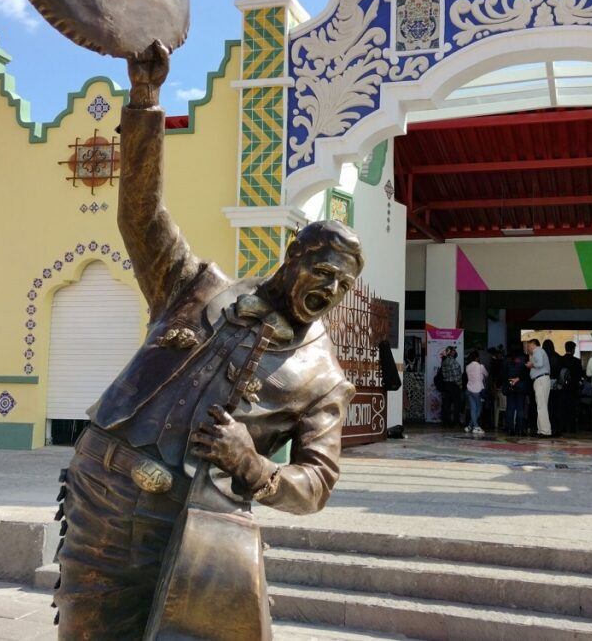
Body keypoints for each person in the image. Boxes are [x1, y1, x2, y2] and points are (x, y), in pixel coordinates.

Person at [54, 44, 363, 638]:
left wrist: (254, 465)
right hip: (99, 485)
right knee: (85, 629)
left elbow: (316, 484)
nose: (331, 290)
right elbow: (141, 214)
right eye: (323, 272)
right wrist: (145, 103)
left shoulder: (325, 378)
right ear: (293, 255)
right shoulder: (194, 285)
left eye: (344, 285)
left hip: (187, 516)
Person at [526, 338, 552, 437]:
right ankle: (541, 430)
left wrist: (531, 365)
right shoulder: (538, 352)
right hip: (541, 380)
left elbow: (540, 364)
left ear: (534, 344)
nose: (528, 348)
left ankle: (545, 431)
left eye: (529, 346)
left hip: (541, 380)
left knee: (541, 406)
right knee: (541, 406)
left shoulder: (538, 351)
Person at [502, 346, 529, 435]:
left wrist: (506, 385)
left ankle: (510, 429)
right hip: (521, 386)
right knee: (520, 408)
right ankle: (520, 429)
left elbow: (504, 374)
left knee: (510, 408)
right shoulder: (524, 358)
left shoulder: (506, 359)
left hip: (510, 386)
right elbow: (526, 373)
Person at [559, 341, 584, 434]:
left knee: (562, 407)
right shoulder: (577, 361)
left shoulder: (560, 360)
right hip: (573, 388)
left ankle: (563, 427)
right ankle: (572, 428)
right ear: (573, 349)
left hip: (562, 387)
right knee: (572, 408)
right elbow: (580, 375)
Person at [464, 350, 487, 434]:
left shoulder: (467, 367)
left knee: (473, 409)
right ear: (477, 358)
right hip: (477, 390)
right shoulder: (480, 366)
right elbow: (486, 374)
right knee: (479, 408)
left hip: (469, 389)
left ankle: (470, 426)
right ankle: (476, 427)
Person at [438, 346, 463, 426]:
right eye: (453, 351)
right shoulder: (453, 362)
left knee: (447, 404)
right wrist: (460, 385)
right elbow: (456, 376)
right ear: (450, 353)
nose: (455, 352)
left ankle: (446, 421)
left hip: (446, 385)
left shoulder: (444, 361)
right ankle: (456, 421)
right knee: (456, 404)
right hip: (454, 385)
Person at [543, 339, 563, 437]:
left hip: (545, 383)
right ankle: (557, 428)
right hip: (556, 385)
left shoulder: (543, 357)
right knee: (556, 407)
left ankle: (548, 428)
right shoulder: (557, 356)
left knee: (547, 407)